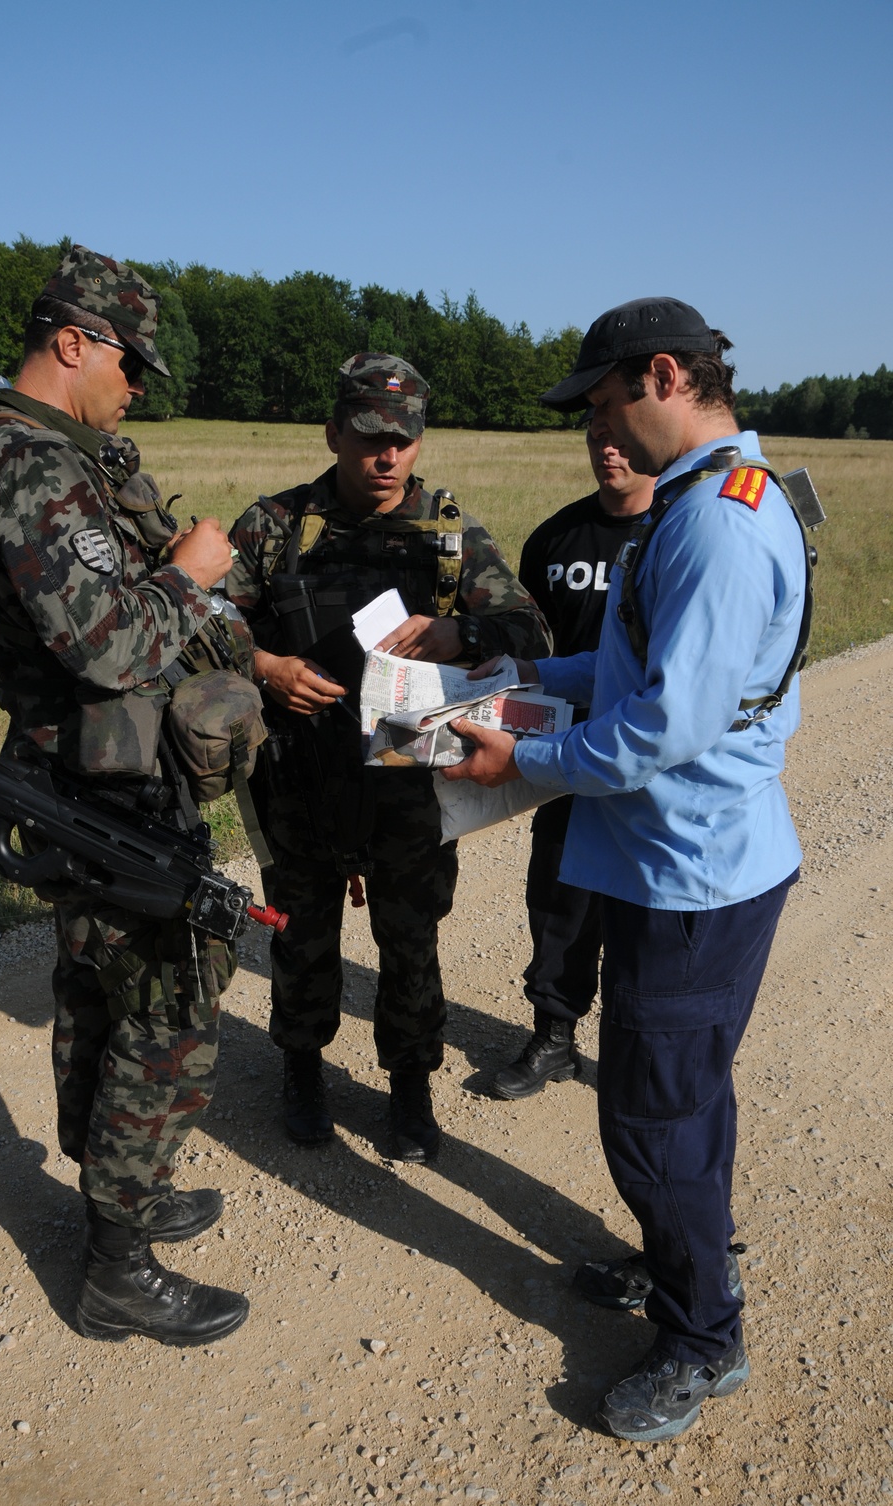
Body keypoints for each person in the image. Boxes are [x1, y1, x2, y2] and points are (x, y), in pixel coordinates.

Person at [443, 297, 807, 1440]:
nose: (597, 425)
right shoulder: (702, 500)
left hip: (691, 874)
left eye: (603, 401)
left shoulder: (716, 522)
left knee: (651, 1118)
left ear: (662, 376)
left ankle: (704, 1337)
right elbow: (638, 661)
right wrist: (532, 668)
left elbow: (663, 728)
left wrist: (523, 756)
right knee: (682, 1098)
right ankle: (683, 1258)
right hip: (682, 859)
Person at [0, 246, 250, 1346]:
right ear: (72, 341)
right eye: (130, 364)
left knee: (103, 985)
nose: (137, 387)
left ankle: (118, 1189)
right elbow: (108, 645)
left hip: (101, 767)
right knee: (164, 997)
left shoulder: (47, 453)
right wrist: (191, 575)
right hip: (101, 776)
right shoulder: (24, 462)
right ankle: (118, 1262)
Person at [226, 354, 550, 1162]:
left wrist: (463, 632)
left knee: (412, 942)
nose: (387, 457)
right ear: (335, 431)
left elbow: (531, 631)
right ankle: (302, 1070)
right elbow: (197, 625)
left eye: (403, 440)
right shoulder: (273, 527)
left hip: (409, 772)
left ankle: (410, 1084)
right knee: (301, 935)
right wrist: (266, 668)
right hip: (299, 773)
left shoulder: (448, 535)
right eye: (370, 436)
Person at [492, 428, 653, 1099]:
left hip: (646, 755)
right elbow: (536, 649)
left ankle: (640, 1055)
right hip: (562, 752)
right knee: (558, 899)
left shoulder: (672, 537)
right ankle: (554, 1035)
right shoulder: (555, 539)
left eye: (619, 438)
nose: (607, 450)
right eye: (596, 439)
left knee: (644, 910)